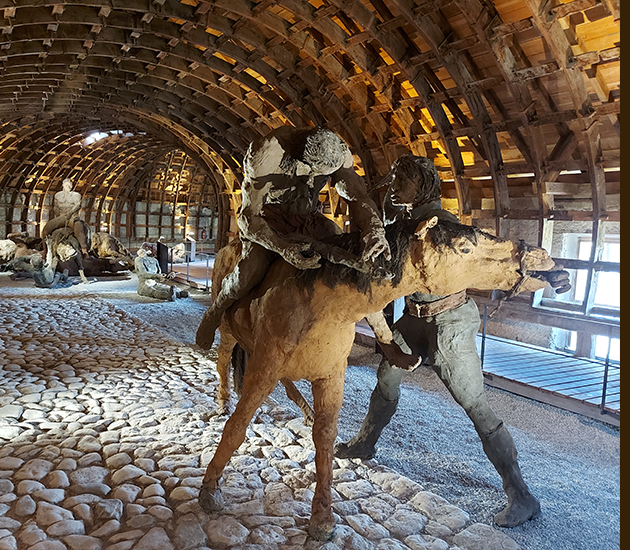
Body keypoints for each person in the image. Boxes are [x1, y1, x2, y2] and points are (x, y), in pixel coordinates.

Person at [335, 154, 571, 528]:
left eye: (402, 178)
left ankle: (521, 494)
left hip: (450, 321)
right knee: (386, 377)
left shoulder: (443, 227)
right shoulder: (404, 221)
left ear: (422, 184)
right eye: (394, 177)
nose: (394, 183)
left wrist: (545, 274)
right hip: (414, 318)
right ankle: (366, 441)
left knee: (474, 404)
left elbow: (489, 254)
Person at [194, 127, 420, 369]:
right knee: (251, 269)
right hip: (269, 222)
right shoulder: (267, 154)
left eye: (322, 177)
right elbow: (248, 218)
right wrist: (281, 247)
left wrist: (374, 230)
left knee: (359, 265)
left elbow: (358, 198)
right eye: (312, 173)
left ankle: (386, 342)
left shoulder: (340, 155)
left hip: (309, 218)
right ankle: (215, 312)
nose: (314, 181)